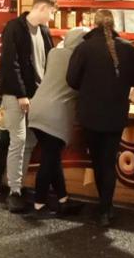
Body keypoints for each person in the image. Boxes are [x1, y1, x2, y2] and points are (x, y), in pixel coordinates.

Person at [66, 9, 134, 227]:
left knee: (97, 161)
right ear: (113, 25)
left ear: (94, 23)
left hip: (90, 114)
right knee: (109, 161)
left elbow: (72, 80)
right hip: (115, 114)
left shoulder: (84, 48)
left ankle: (104, 207)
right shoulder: (128, 48)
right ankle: (106, 208)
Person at [0, 0, 56, 213]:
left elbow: (49, 62)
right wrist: (21, 94)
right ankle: (14, 190)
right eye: (51, 11)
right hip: (16, 95)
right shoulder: (14, 28)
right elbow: (10, 63)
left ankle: (18, 186)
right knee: (18, 140)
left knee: (29, 141)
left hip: (38, 95)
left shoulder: (45, 31)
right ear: (42, 7)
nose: (52, 16)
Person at [27, 27, 88, 218]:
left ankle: (63, 200)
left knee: (52, 159)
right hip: (56, 114)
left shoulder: (54, 53)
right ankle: (39, 205)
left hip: (36, 108)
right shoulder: (81, 60)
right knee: (49, 160)